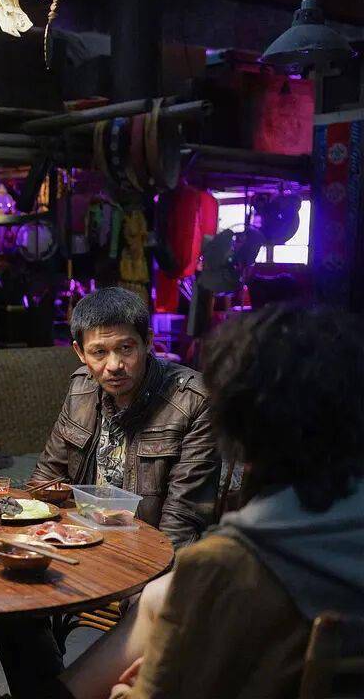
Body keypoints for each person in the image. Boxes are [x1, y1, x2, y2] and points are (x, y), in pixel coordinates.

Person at [62, 303, 364, 699]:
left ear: (239, 427)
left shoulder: (224, 565)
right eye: (100, 352)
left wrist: (124, 689)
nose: (114, 364)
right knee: (157, 597)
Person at [32, 286, 220, 548]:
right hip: (83, 539)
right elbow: (47, 480)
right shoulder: (81, 387)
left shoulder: (194, 399)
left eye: (126, 348)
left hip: (149, 549)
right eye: (99, 352)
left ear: (148, 341)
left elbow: (182, 519)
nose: (114, 366)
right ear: (80, 352)